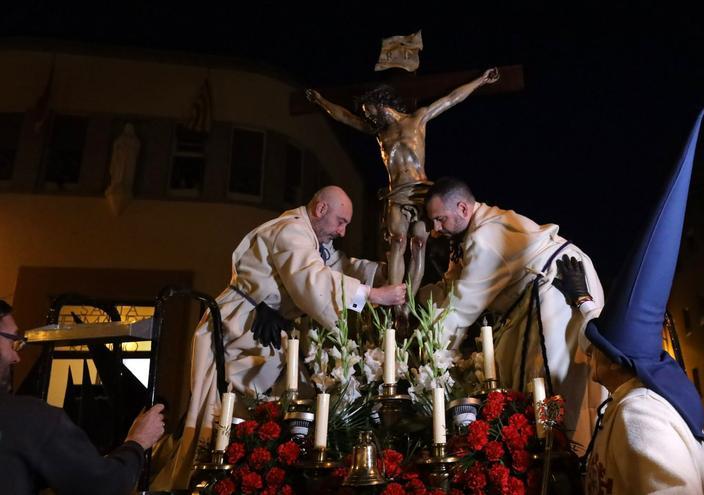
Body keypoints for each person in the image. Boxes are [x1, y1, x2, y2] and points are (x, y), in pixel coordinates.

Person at [153, 186, 406, 489]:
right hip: (243, 326)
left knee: (270, 410)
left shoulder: (310, 239)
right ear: (320, 209)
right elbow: (311, 278)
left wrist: (389, 268)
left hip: (267, 330)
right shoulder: (291, 231)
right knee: (231, 416)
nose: (342, 231)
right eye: (340, 221)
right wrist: (373, 294)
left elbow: (340, 265)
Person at [557, 110, 704, 493]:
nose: (588, 352)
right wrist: (583, 301)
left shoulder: (641, 416)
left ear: (617, 360)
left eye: (599, 348)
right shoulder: (628, 401)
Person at [421, 176, 605, 451]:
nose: (435, 230)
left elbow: (461, 306)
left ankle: (567, 457)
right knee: (529, 381)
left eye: (440, 220)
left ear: (462, 209)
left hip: (561, 288)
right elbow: (450, 289)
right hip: (540, 296)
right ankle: (549, 451)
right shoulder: (473, 231)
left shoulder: (484, 238)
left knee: (553, 382)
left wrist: (430, 356)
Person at [306, 68, 500, 296]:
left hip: (419, 192)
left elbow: (451, 99)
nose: (369, 118)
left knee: (418, 246)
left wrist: (481, 80)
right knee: (397, 242)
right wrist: (321, 101)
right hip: (396, 193)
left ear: (382, 105)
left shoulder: (417, 119)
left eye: (370, 112)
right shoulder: (379, 133)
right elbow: (345, 117)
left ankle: (407, 302)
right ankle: (394, 298)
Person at [0, 300, 166, 495]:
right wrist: (138, 441)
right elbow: (103, 486)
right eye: (12, 342)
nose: (16, 357)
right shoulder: (30, 418)